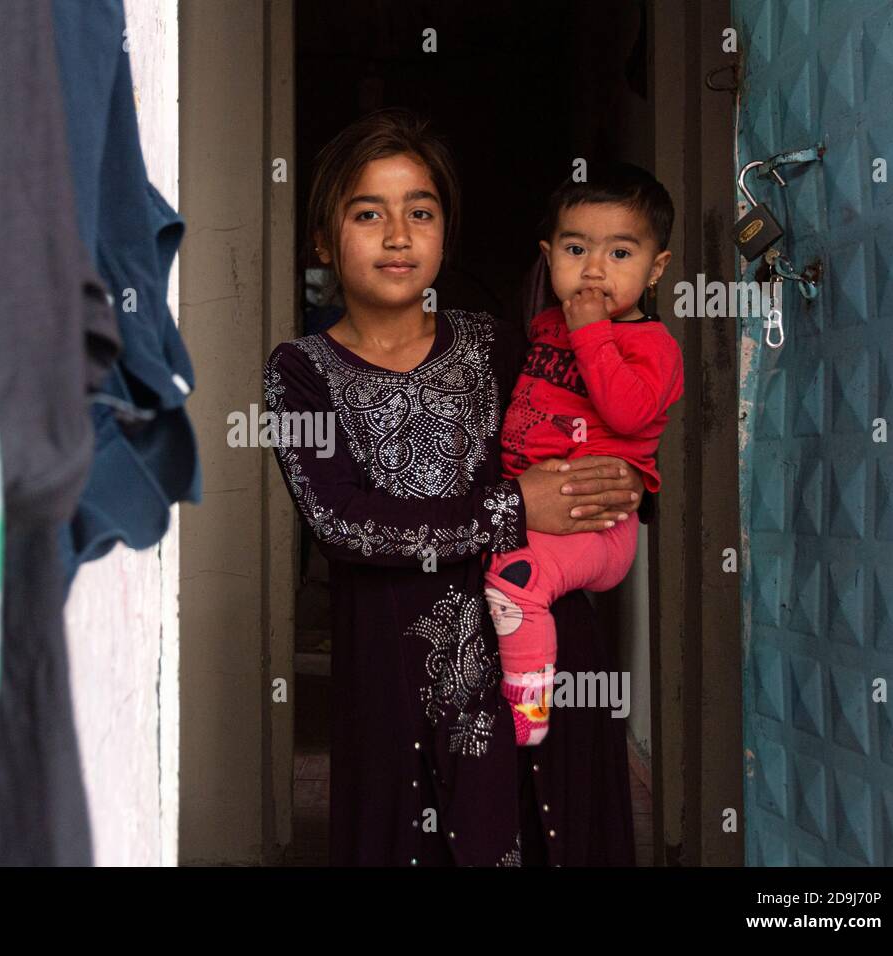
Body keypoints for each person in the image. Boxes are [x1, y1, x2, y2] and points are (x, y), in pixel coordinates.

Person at [264, 108, 645, 866]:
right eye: (368, 213)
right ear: (321, 240)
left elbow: (582, 429)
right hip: (395, 665)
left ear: (444, 232)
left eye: (421, 212)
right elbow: (344, 523)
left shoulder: (498, 342)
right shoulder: (301, 371)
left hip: (536, 650)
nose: (398, 235)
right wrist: (515, 506)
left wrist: (621, 472)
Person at [485, 163, 682, 746]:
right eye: (576, 249)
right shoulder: (547, 325)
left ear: (657, 268)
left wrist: (593, 333)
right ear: (550, 256)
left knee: (514, 580)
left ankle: (529, 711)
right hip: (539, 510)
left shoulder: (653, 345)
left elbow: (627, 414)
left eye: (620, 254)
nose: (594, 270)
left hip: (597, 526)